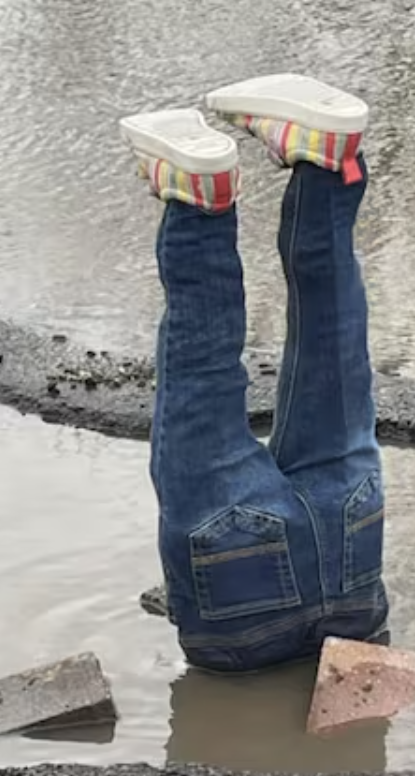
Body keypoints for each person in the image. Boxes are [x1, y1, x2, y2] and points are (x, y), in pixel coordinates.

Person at [120, 75, 388, 674]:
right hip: (350, 605)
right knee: (201, 364)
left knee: (333, 338)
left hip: (348, 520)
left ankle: (331, 163)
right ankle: (198, 197)